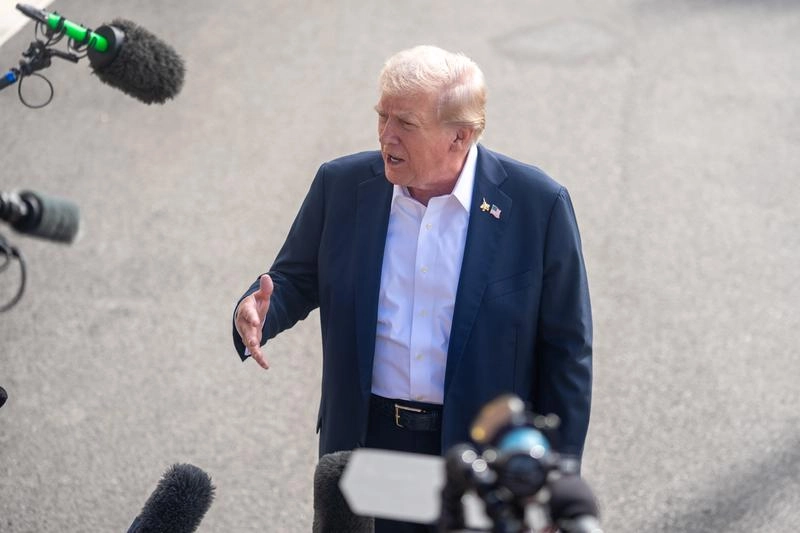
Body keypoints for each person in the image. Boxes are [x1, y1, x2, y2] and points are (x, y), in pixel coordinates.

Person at [233, 45, 592, 532]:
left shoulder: (537, 205)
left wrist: (557, 484)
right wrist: (257, 312)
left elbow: (567, 352)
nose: (387, 135)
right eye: (382, 117)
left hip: (477, 458)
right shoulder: (342, 186)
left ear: (459, 136)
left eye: (405, 123)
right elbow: (295, 278)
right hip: (369, 443)